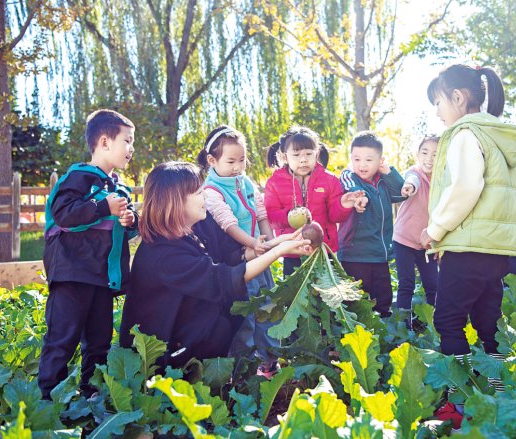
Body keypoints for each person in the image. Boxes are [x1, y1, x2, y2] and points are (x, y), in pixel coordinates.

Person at [119, 162, 311, 370]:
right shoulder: (163, 253)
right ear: (175, 201)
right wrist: (278, 253)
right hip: (163, 348)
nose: (205, 197)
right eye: (199, 192)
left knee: (227, 315)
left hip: (189, 324)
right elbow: (222, 279)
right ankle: (193, 376)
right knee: (220, 321)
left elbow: (230, 256)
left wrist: (278, 242)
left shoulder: (197, 225)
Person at [420, 64, 516, 425]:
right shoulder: (497, 134)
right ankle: (499, 390)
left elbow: (466, 187)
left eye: (438, 101)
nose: (437, 111)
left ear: (459, 98)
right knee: (487, 321)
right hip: (496, 250)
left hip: (467, 245)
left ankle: (457, 399)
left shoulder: (465, 133)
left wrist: (435, 229)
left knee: (447, 318)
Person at [39, 109, 138, 399]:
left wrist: (130, 221)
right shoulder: (79, 178)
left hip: (101, 277)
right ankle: (47, 401)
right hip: (72, 272)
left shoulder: (119, 188)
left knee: (99, 340)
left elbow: (118, 232)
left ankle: (91, 395)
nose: (131, 148)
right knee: (62, 337)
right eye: (127, 141)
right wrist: (102, 207)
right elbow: (63, 214)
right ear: (105, 142)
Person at [197, 125, 277, 377]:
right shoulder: (211, 191)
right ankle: (242, 369)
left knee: (269, 306)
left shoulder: (245, 182)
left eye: (242, 160)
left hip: (259, 253)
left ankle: (269, 361)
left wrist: (270, 240)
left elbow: (260, 211)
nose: (237, 166)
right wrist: (253, 244)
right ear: (212, 160)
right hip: (239, 260)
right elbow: (228, 223)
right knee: (246, 314)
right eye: (231, 161)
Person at [264, 125, 365, 276]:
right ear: (285, 157)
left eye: (308, 154)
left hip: (324, 249)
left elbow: (336, 216)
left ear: (316, 154)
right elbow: (271, 217)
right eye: (296, 155)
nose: (303, 160)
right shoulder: (274, 183)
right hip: (292, 250)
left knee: (326, 295)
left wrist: (344, 204)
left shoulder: (330, 180)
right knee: (294, 295)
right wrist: (290, 216)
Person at [339, 131, 405, 317]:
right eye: (356, 159)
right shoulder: (349, 176)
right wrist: (360, 196)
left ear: (380, 161)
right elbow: (350, 186)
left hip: (380, 254)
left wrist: (389, 172)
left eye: (369, 160)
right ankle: (356, 340)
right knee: (356, 303)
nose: (362, 165)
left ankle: (384, 337)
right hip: (355, 255)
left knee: (383, 299)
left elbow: (402, 192)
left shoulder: (383, 182)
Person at [393, 136, 439, 312]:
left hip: (426, 243)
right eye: (425, 152)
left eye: (435, 154)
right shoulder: (414, 172)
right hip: (403, 240)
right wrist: (409, 187)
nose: (429, 158)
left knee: (433, 285)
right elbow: (412, 179)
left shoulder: (441, 181)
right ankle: (403, 327)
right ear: (417, 155)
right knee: (406, 284)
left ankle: (435, 326)